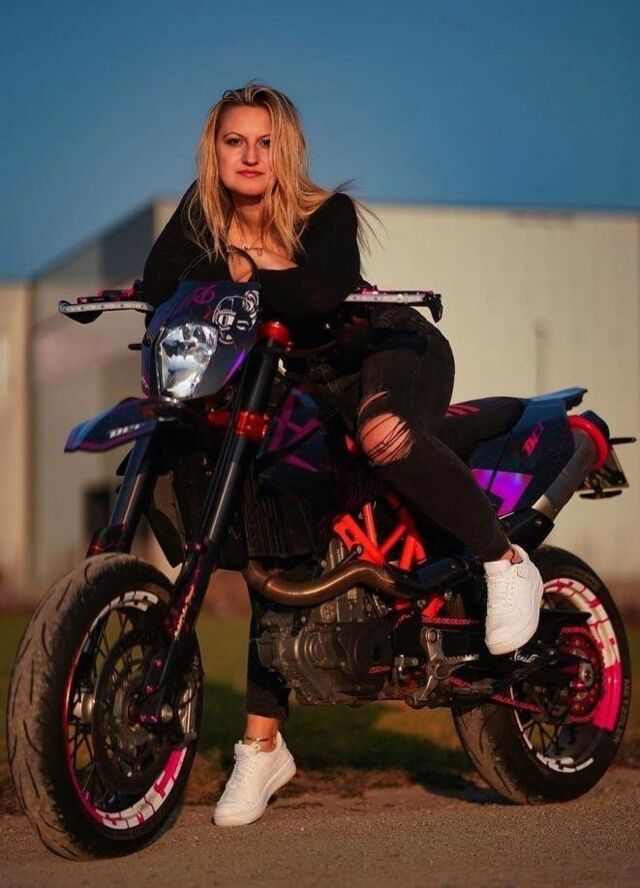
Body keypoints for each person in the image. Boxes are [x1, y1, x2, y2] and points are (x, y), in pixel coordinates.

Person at [142, 83, 544, 828]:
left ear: (286, 150)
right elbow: (160, 284)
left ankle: (505, 559)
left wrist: (236, 271)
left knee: (383, 434)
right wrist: (247, 270)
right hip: (297, 385)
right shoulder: (201, 214)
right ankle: (262, 750)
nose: (251, 155)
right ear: (214, 150)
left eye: (266, 142)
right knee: (272, 534)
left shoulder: (326, 214)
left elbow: (317, 292)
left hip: (384, 351)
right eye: (235, 141)